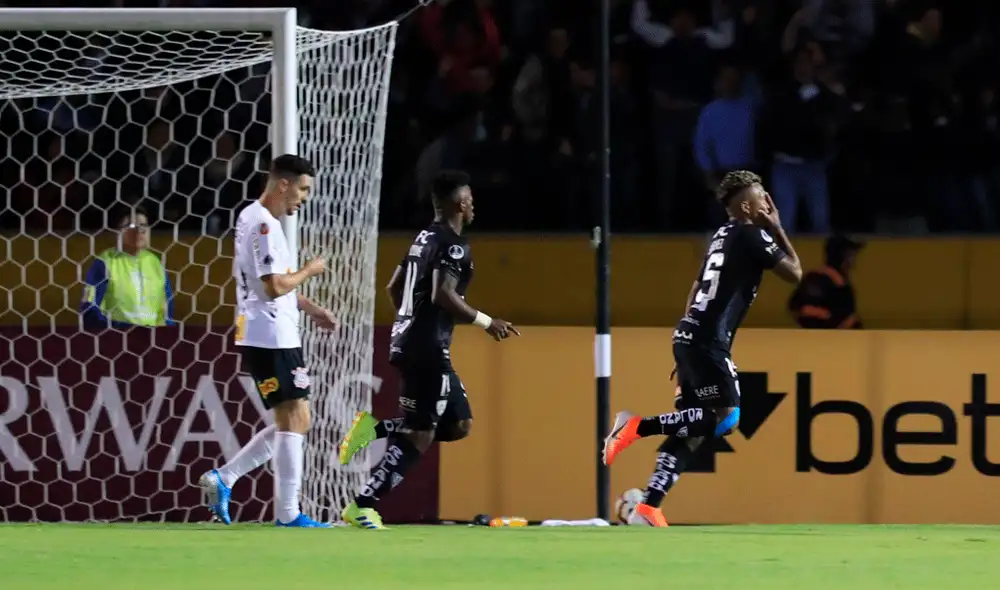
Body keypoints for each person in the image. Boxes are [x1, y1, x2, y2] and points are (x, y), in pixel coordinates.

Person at [602, 170, 802, 526]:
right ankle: (635, 427)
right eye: (762, 198)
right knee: (726, 418)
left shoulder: (722, 235)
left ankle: (648, 506)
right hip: (707, 340)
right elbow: (795, 274)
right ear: (745, 205)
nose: (768, 203)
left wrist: (686, 339)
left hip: (692, 334)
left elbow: (697, 287)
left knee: (694, 430)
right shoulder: (751, 233)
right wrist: (778, 227)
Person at [339, 170, 519, 530]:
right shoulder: (453, 244)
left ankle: (374, 429)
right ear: (459, 204)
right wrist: (488, 322)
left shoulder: (423, 238)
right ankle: (361, 505)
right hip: (426, 350)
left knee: (459, 424)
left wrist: (409, 322)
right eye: (468, 199)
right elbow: (442, 293)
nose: (472, 205)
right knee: (421, 433)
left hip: (415, 343)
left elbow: (394, 287)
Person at [198, 154, 339, 528]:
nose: (304, 198)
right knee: (296, 416)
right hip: (270, 333)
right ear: (283, 185)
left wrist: (310, 309)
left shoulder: (253, 218)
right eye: (303, 189)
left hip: (269, 329)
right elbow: (273, 286)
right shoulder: (262, 224)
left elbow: (274, 282)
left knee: (293, 418)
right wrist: (310, 270)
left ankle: (224, 479)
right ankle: (287, 512)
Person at [79, 206, 175, 329]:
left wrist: (167, 334)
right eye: (131, 226)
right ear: (118, 231)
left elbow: (168, 311)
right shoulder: (105, 262)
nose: (139, 231)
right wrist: (120, 328)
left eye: (144, 226)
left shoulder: (155, 264)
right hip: (115, 339)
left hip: (152, 341)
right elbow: (89, 308)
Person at [788, 234, 864, 329]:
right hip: (833, 340)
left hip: (806, 338)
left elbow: (794, 308)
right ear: (843, 257)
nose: (854, 259)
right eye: (851, 254)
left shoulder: (810, 277)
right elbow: (848, 319)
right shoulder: (841, 287)